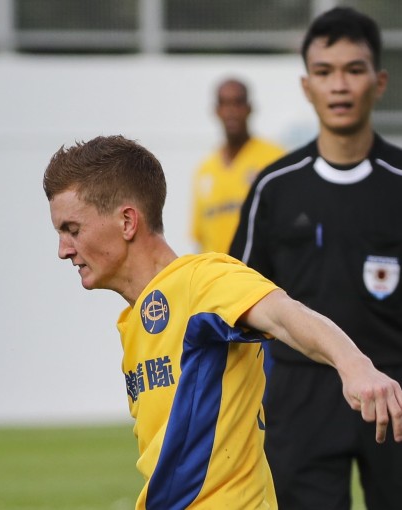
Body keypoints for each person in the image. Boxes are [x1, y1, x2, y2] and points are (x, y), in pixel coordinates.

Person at [43, 134, 402, 509]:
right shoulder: (137, 317)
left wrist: (354, 365)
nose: (63, 250)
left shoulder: (201, 281)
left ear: (127, 221)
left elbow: (283, 313)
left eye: (72, 229)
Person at [229, 7, 402, 509]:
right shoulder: (275, 187)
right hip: (300, 396)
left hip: (395, 388)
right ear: (307, 86)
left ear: (379, 81)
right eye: (325, 72)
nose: (339, 85)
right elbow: (238, 297)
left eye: (354, 69)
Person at [191, 78, 285, 254]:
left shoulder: (274, 158)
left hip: (255, 269)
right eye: (225, 104)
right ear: (216, 111)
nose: (231, 111)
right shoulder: (205, 170)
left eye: (238, 103)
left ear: (249, 108)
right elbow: (201, 238)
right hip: (215, 270)